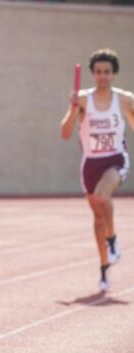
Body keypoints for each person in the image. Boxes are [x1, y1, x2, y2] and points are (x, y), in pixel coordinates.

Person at [60, 48, 134, 291]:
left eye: (107, 72)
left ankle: (113, 241)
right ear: (93, 74)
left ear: (114, 75)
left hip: (115, 158)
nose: (103, 76)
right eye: (99, 72)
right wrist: (72, 110)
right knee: (98, 218)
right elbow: (65, 133)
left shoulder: (125, 99)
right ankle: (104, 268)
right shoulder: (81, 99)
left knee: (104, 194)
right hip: (90, 163)